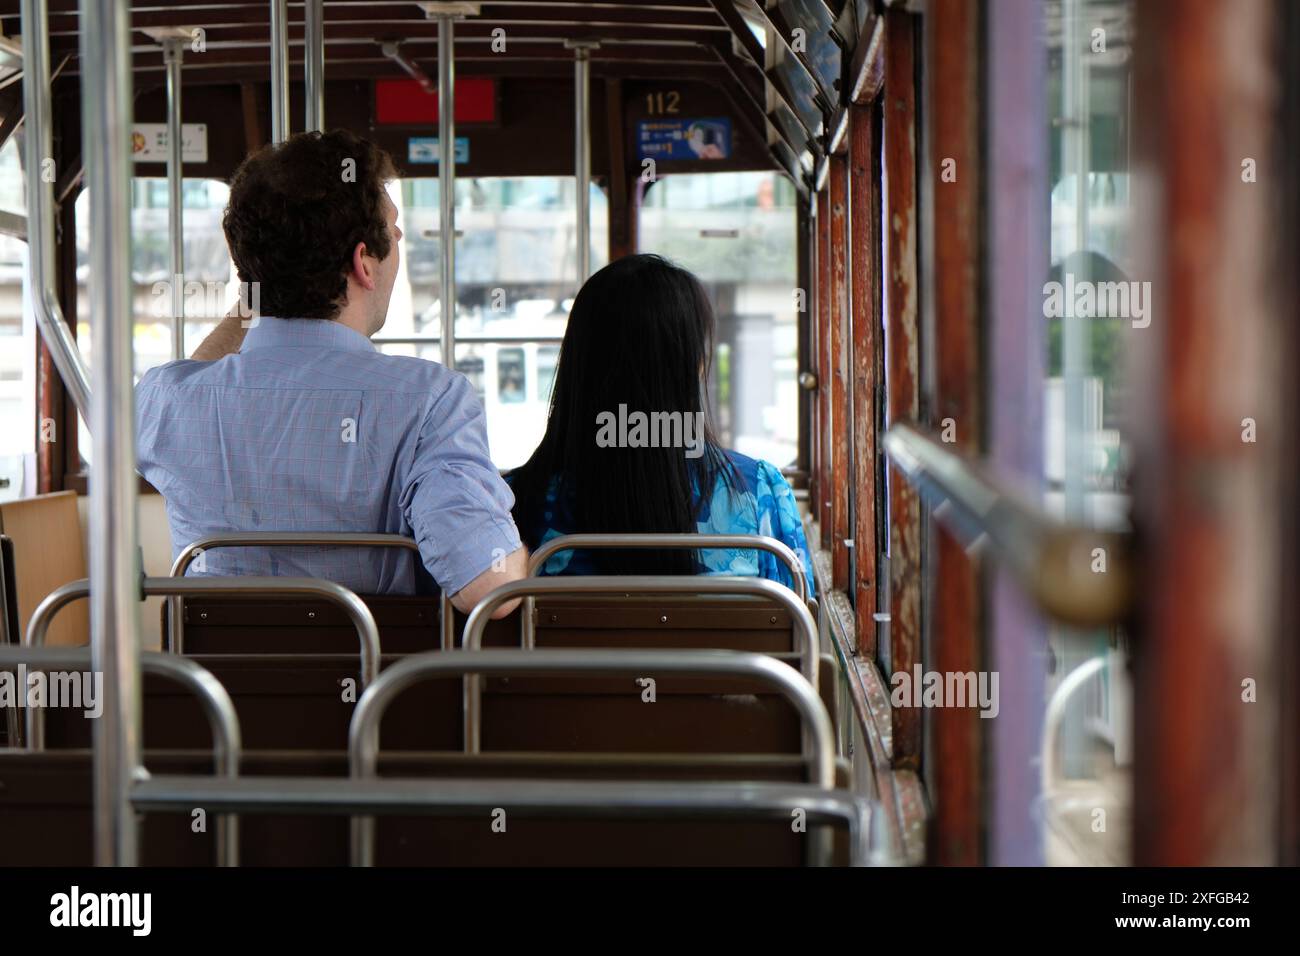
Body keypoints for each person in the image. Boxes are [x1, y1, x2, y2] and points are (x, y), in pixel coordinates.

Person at [136, 130, 527, 616]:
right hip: (379, 687)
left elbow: (184, 383)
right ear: (364, 262)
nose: (401, 239)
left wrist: (258, 291)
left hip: (211, 687)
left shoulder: (165, 400)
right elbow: (490, 587)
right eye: (394, 227)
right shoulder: (431, 401)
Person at [507, 254, 813, 594]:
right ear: (695, 365)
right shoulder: (758, 493)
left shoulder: (510, 505)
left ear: (577, 363)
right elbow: (800, 629)